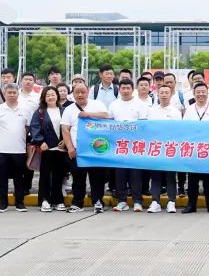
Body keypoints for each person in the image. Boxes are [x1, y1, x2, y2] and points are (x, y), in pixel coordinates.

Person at [62, 83, 110, 213]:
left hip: (96, 149)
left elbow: (106, 116)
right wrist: (70, 147)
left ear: (88, 91)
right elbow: (65, 130)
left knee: (97, 177)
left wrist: (88, 114)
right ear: (73, 94)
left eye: (83, 91)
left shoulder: (97, 104)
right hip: (78, 150)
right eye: (77, 92)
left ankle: (98, 201)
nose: (80, 94)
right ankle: (78, 203)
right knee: (78, 178)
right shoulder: (69, 109)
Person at [182, 83, 209, 214]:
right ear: (194, 94)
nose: (201, 94)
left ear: (207, 93)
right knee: (192, 180)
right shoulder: (189, 109)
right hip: (193, 150)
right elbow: (184, 129)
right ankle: (191, 205)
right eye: (198, 92)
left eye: (203, 92)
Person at [108, 79, 148, 212]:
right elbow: (109, 124)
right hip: (119, 145)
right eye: (123, 88)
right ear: (119, 89)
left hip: (135, 144)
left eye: (128, 88)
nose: (125, 90)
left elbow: (144, 125)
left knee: (135, 174)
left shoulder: (140, 104)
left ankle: (137, 201)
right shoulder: (114, 104)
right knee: (120, 174)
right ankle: (122, 201)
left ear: (132, 89)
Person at [0, 83, 31, 212]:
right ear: (5, 94)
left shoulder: (25, 109)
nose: (12, 95)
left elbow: (27, 128)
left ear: (18, 94)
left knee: (19, 178)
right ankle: (3, 204)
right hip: (2, 150)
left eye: (14, 92)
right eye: (9, 92)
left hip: (19, 150)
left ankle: (19, 203)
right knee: (2, 178)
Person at [146, 84, 183, 213]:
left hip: (169, 148)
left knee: (170, 176)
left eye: (166, 92)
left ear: (170, 94)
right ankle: (155, 201)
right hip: (155, 148)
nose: (164, 95)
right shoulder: (151, 111)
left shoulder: (176, 112)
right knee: (155, 176)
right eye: (161, 92)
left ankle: (171, 201)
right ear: (157, 94)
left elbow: (178, 131)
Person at [30, 86, 67, 212]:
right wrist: (40, 142)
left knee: (59, 176)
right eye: (48, 95)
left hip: (61, 149)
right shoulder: (39, 112)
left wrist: (66, 141)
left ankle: (58, 200)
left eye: (53, 94)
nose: (51, 97)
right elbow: (34, 128)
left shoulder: (64, 111)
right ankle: (44, 200)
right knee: (45, 175)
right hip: (46, 149)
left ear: (57, 96)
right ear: (44, 98)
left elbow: (68, 127)